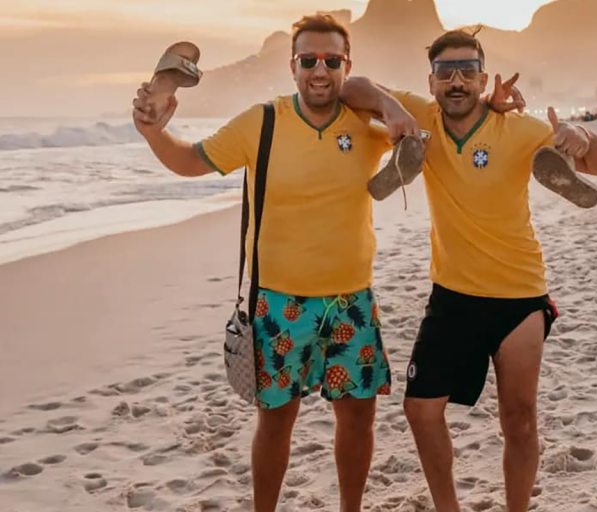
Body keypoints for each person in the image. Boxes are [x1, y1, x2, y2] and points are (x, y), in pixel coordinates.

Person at [131, 14, 422, 512]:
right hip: (278, 304)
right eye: (308, 60)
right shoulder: (262, 122)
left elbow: (429, 122)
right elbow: (191, 160)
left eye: (331, 61)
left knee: (358, 420)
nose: (319, 71)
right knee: (275, 423)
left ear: (346, 65)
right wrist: (154, 132)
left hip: (351, 300)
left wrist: (389, 104)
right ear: (292, 67)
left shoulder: (367, 126)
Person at [341, 29, 597, 512]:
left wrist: (581, 136)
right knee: (420, 410)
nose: (456, 81)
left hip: (519, 294)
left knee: (519, 418)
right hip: (453, 295)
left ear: (483, 79)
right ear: (430, 82)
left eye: (467, 71)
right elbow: (352, 86)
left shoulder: (521, 128)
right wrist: (390, 108)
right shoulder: (422, 115)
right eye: (445, 72)